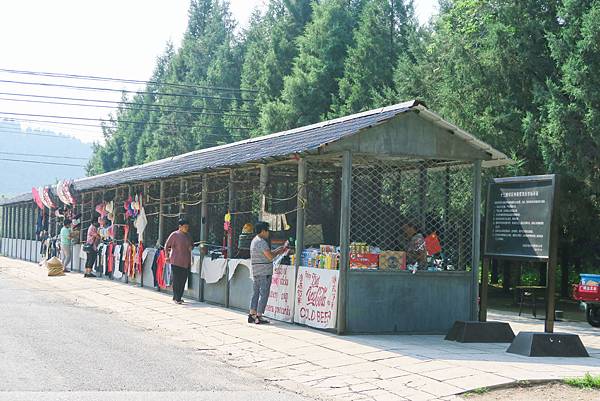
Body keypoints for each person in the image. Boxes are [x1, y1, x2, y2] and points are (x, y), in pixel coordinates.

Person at [248, 221, 288, 324]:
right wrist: (279, 251)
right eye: (267, 230)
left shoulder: (254, 241)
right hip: (264, 271)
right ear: (263, 231)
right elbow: (269, 256)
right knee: (264, 293)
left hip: (256, 271)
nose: (268, 233)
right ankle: (259, 315)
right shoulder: (262, 242)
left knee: (256, 293)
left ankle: (252, 314)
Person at [165, 218, 193, 305]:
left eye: (187, 227)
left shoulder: (188, 235)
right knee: (177, 280)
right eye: (185, 227)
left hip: (186, 261)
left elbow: (192, 244)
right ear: (180, 227)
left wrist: (191, 247)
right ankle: (177, 298)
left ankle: (178, 297)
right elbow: (166, 246)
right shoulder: (174, 235)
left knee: (183, 279)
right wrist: (167, 257)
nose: (186, 228)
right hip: (176, 261)